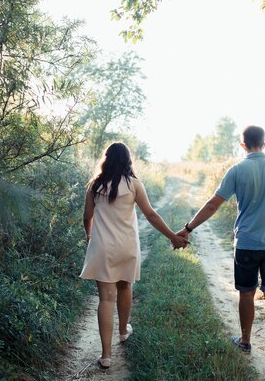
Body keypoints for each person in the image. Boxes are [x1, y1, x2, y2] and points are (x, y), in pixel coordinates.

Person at [177, 125, 265, 381]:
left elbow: (213, 204)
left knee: (246, 292)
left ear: (242, 145)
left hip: (246, 245)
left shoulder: (236, 170)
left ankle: (245, 340)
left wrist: (188, 228)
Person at [80, 142, 188, 369]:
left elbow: (87, 217)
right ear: (128, 160)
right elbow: (151, 215)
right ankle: (122, 331)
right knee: (125, 286)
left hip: (102, 247)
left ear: (106, 159)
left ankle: (106, 356)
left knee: (106, 299)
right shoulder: (134, 184)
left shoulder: (95, 185)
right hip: (127, 246)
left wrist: (90, 236)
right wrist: (172, 236)